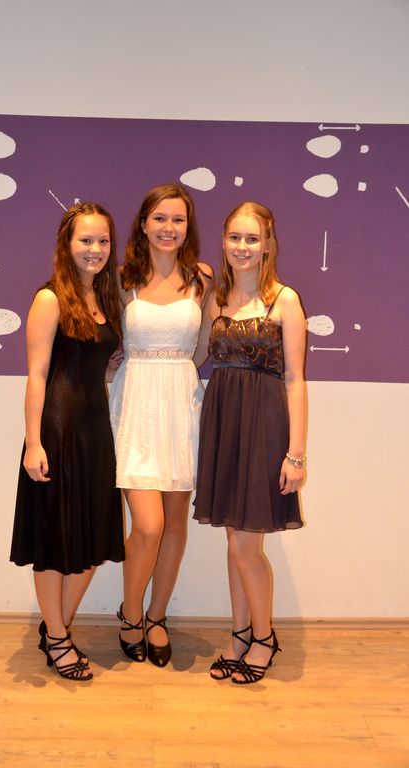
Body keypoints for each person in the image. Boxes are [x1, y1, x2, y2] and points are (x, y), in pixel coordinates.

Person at [10, 202, 125, 681]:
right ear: (66, 243)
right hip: (57, 431)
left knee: (90, 541)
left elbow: (93, 361)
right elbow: (37, 374)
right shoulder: (50, 298)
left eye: (103, 241)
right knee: (54, 540)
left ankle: (54, 627)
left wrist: (110, 365)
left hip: (95, 432)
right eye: (86, 240)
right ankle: (58, 638)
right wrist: (33, 442)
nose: (95, 249)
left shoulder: (102, 296)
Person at [193, 201, 306, 685]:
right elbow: (194, 355)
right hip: (223, 424)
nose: (243, 247)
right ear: (223, 240)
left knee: (245, 546)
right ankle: (240, 635)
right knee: (233, 538)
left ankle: (264, 638)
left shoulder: (284, 300)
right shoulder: (215, 299)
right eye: (235, 237)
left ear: (267, 244)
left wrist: (295, 454)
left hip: (264, 425)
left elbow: (295, 379)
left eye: (252, 238)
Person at [108, 183, 214, 667]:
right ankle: (129, 614)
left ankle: (156, 617)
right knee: (147, 526)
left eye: (178, 219)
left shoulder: (203, 278)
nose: (169, 228)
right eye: (160, 218)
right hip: (135, 405)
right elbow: (105, 340)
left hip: (180, 403)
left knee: (174, 525)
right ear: (143, 224)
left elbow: (203, 348)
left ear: (188, 226)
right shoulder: (121, 279)